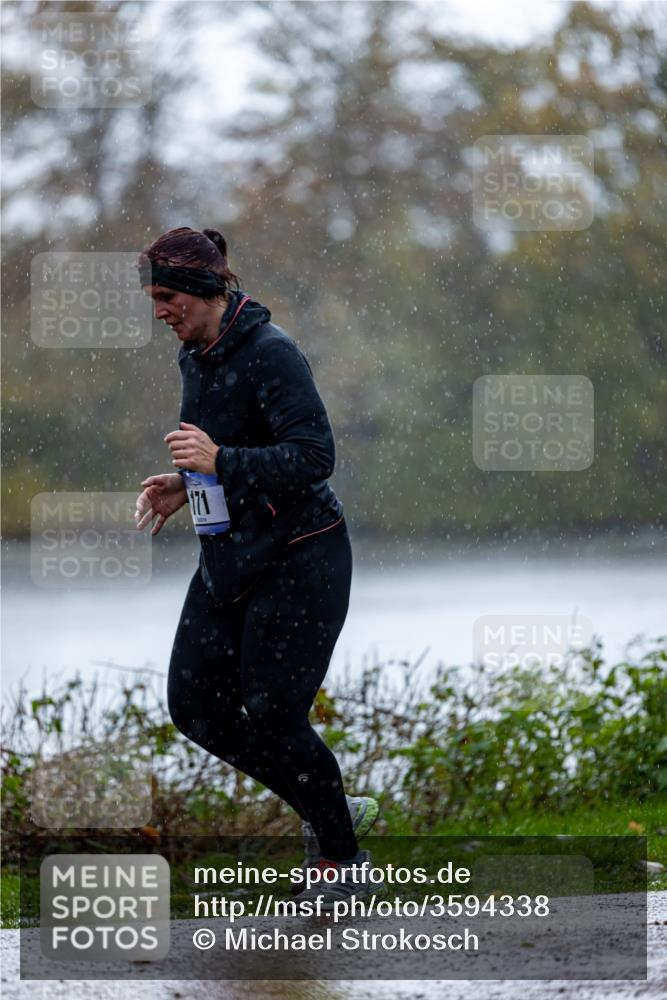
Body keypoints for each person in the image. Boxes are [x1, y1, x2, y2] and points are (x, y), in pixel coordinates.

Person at [134, 227, 381, 905]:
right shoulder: (195, 355)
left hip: (301, 555)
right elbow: (224, 449)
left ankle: (344, 861)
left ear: (207, 290)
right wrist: (184, 487)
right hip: (229, 553)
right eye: (154, 298)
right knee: (195, 709)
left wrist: (221, 463)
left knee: (273, 713)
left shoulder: (271, 353)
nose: (160, 311)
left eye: (167, 296)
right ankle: (331, 806)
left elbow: (312, 457)